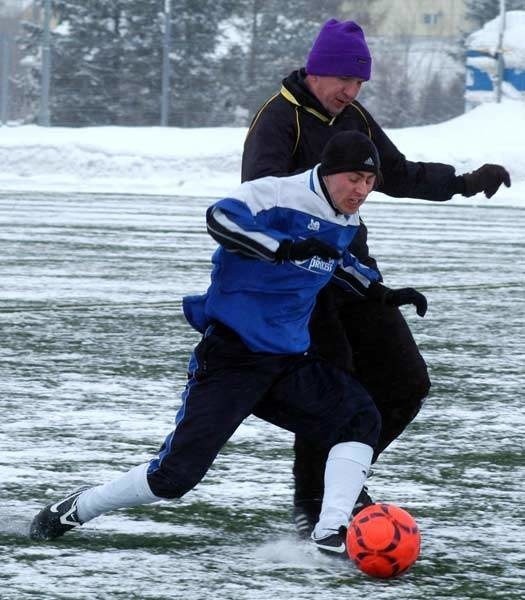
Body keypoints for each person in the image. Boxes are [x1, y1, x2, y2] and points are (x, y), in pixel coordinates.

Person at [30, 131, 428, 555]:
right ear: (329, 172)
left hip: (290, 361)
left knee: (359, 417)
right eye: (354, 178)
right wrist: (282, 248)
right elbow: (219, 218)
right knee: (175, 478)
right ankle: (78, 506)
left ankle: (330, 533)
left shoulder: (345, 220)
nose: (362, 190)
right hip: (232, 358)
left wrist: (381, 294)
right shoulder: (276, 193)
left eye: (370, 181)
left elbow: (337, 264)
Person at [241, 18, 512, 538]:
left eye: (359, 81)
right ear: (316, 69)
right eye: (343, 78)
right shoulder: (279, 122)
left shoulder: (355, 116)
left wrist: (462, 182)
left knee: (407, 382)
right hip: (302, 286)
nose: (351, 90)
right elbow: (258, 202)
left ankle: (341, 477)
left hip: (355, 276)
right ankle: (315, 499)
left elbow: (396, 171)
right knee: (335, 387)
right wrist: (301, 246)